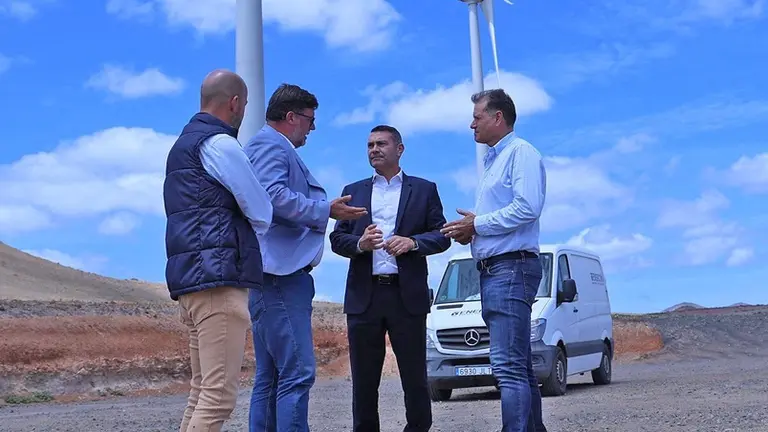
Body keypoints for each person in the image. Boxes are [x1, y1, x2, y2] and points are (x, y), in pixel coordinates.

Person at [243, 83, 368, 432]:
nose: (312, 128)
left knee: (270, 377)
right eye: (311, 120)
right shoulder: (270, 146)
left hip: (271, 278)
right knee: (297, 372)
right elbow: (272, 198)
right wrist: (324, 210)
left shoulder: (265, 146)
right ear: (291, 117)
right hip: (280, 278)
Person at [163, 69, 273, 432]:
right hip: (219, 281)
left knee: (201, 392)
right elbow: (261, 209)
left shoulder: (182, 146)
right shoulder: (220, 145)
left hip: (192, 283)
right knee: (218, 397)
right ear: (236, 103)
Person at [329, 125, 452, 432]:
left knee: (414, 378)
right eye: (370, 144)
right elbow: (337, 239)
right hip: (364, 296)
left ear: (399, 149)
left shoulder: (424, 190)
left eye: (381, 143)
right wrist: (360, 244)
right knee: (364, 382)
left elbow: (442, 236)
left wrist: (412, 243)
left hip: (406, 296)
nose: (374, 149)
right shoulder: (353, 191)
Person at [441, 89, 548, 432]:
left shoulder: (521, 153)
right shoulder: (493, 161)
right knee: (518, 366)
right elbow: (505, 213)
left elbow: (527, 207)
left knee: (507, 367)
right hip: (497, 269)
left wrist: (477, 224)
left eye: (478, 116)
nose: (471, 123)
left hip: (510, 267)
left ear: (498, 117)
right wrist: (473, 228)